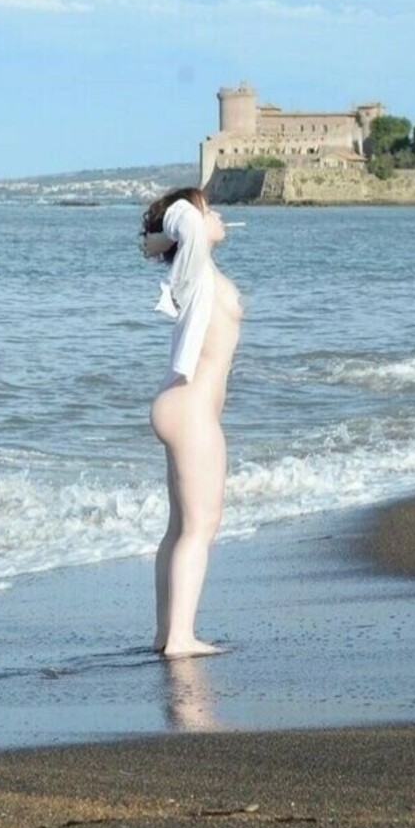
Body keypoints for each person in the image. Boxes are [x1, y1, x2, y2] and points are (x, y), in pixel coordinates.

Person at [141, 187, 243, 658]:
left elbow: (177, 231)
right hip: (190, 408)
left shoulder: (197, 269)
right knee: (201, 526)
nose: (217, 215)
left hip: (184, 405)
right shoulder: (195, 265)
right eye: (209, 209)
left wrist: (172, 239)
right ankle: (181, 638)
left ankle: (167, 633)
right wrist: (186, 226)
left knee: (181, 526)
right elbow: (179, 217)